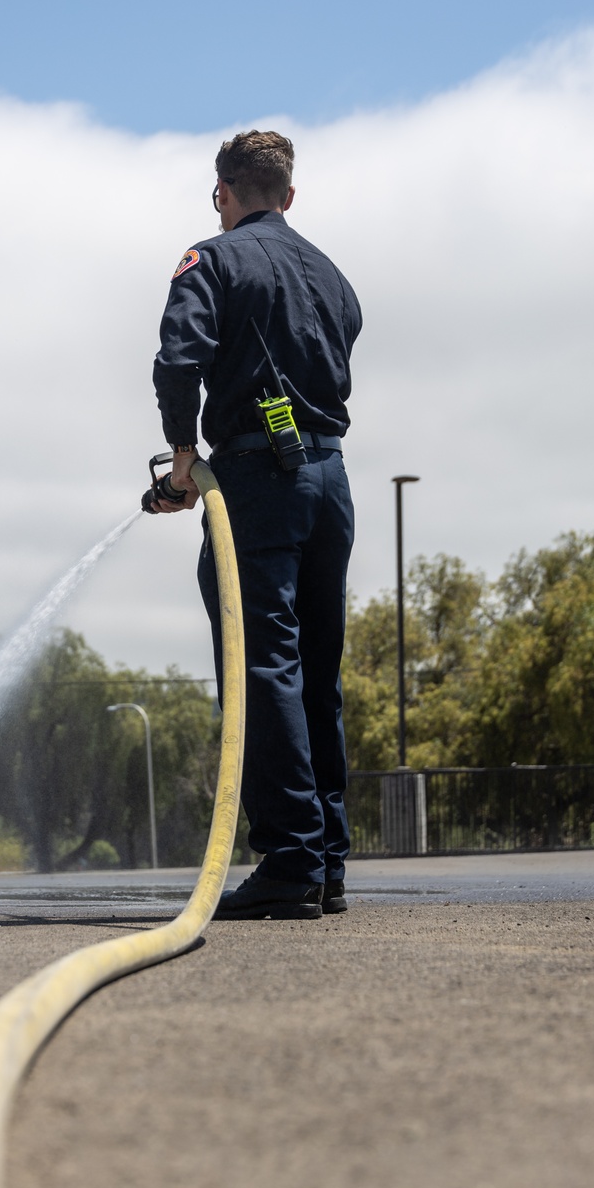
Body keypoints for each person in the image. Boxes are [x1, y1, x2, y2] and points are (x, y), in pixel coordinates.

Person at [148, 130, 362, 920]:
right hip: (330, 480)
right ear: (291, 196)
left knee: (261, 664)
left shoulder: (213, 259)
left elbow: (179, 359)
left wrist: (181, 461)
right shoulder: (330, 274)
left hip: (255, 479)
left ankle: (289, 861)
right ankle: (328, 861)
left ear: (224, 193)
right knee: (317, 672)